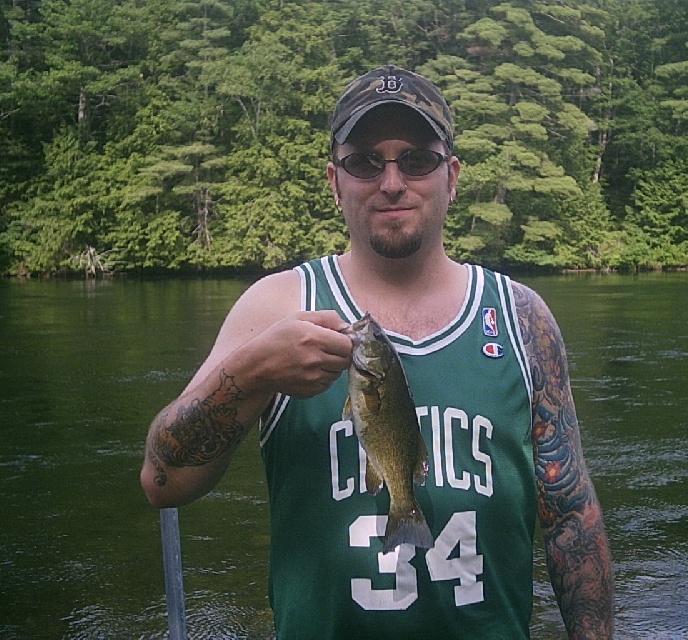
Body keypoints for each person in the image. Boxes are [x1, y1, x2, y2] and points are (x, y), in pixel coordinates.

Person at [141, 65, 614, 639]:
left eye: (416, 159)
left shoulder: (520, 317)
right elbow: (165, 481)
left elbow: (570, 516)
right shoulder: (277, 306)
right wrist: (253, 369)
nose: (392, 182)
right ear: (336, 181)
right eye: (365, 161)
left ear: (453, 176)